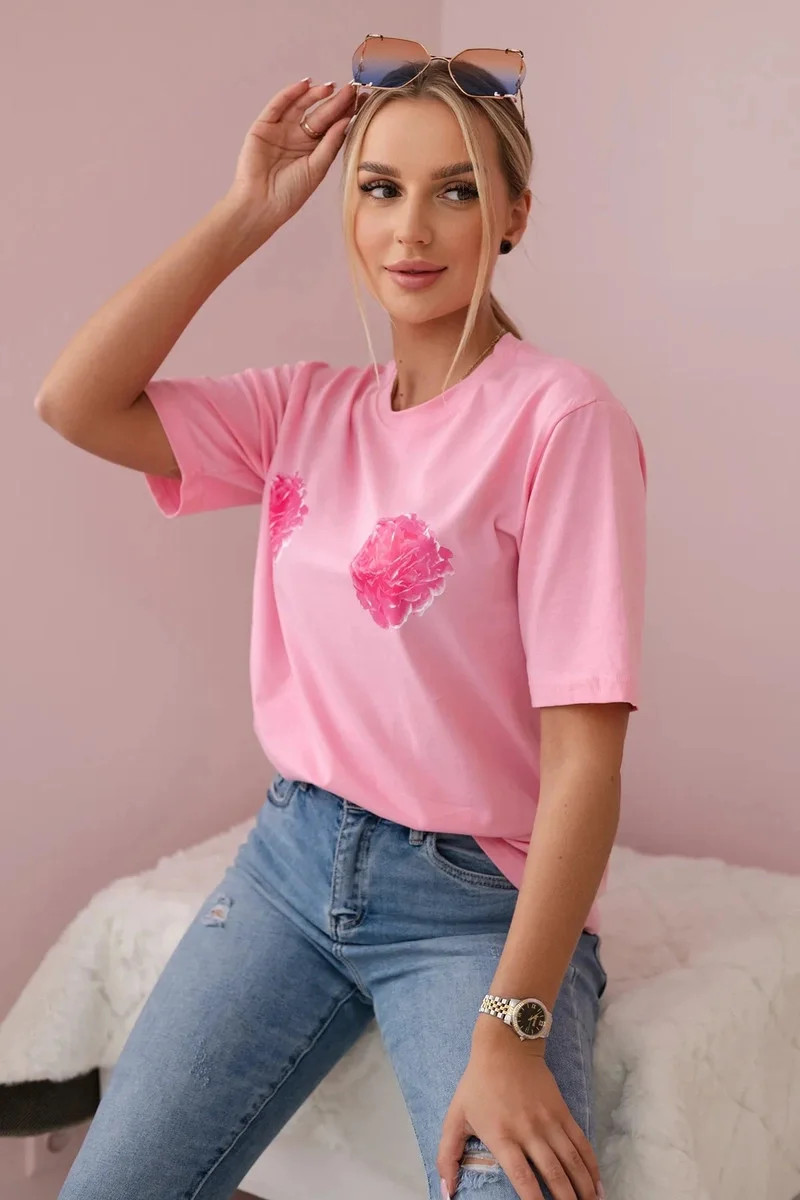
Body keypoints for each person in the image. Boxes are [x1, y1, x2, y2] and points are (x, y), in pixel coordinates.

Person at [38, 37, 646, 1200]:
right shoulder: (301, 410)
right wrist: (244, 213)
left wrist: (511, 1027)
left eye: (454, 191)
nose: (410, 229)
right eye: (379, 189)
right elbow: (74, 401)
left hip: (473, 905)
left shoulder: (561, 422)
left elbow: (584, 763)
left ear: (513, 216)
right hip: (289, 862)